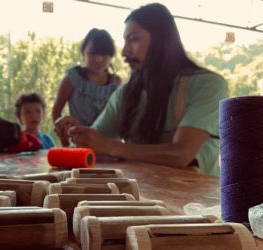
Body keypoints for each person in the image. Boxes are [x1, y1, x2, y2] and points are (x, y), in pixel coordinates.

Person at [55, 3, 228, 176]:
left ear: (162, 40)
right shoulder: (125, 93)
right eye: (125, 41)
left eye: (133, 39)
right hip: (140, 197)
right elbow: (94, 145)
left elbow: (181, 154)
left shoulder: (207, 85)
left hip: (196, 202)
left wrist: (109, 146)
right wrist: (77, 134)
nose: (124, 52)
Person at [52, 28, 121, 146]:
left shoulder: (116, 83)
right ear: (83, 53)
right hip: (80, 143)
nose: (98, 59)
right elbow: (56, 112)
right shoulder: (72, 78)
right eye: (92, 53)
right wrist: (64, 142)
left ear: (111, 57)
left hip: (108, 145)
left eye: (104, 54)